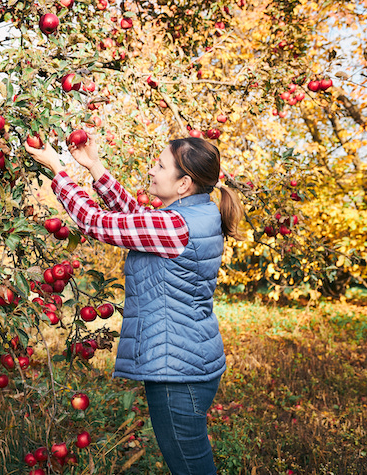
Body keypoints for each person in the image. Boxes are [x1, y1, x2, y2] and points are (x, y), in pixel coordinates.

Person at [25, 132, 244, 475]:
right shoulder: (198, 214)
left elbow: (94, 222)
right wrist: (94, 166)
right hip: (191, 360)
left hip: (178, 371)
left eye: (160, 166)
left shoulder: (175, 225)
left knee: (190, 467)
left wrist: (58, 168)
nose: (152, 171)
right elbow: (137, 217)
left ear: (184, 184)